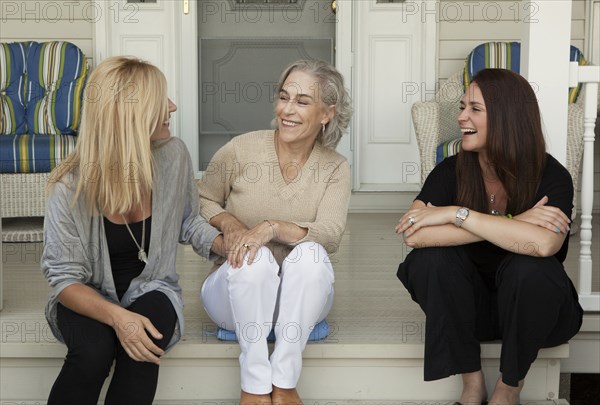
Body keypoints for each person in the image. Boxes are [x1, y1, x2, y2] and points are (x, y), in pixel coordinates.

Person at [42, 56, 224, 404]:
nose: (172, 106)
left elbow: (186, 219)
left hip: (152, 288)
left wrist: (223, 243)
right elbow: (65, 280)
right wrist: (117, 317)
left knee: (146, 337)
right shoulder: (70, 186)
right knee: (94, 351)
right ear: (131, 115)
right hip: (88, 295)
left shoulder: (173, 156)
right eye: (161, 101)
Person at [396, 68, 583, 405]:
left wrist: (456, 214)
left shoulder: (551, 175)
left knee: (529, 268)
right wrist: (517, 221)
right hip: (472, 312)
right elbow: (414, 234)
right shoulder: (450, 171)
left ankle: (508, 390)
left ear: (508, 118)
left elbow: (544, 244)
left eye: (474, 109)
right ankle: (471, 384)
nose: (460, 117)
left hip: (536, 313)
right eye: (462, 106)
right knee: (427, 262)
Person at [198, 59, 352, 404]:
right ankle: (254, 386)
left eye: (302, 101)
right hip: (234, 291)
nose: (288, 110)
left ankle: (284, 382)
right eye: (284, 97)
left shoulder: (335, 168)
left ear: (327, 113)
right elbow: (202, 199)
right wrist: (230, 223)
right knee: (256, 259)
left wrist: (271, 228)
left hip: (299, 300)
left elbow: (329, 233)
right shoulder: (241, 149)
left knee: (312, 253)